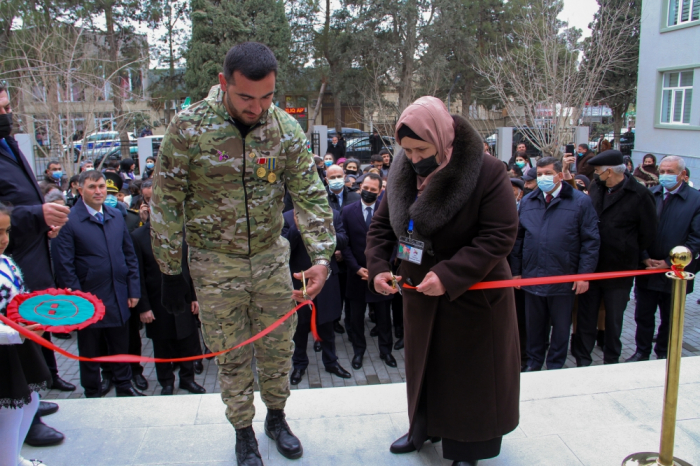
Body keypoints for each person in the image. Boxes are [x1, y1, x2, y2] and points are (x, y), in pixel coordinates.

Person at [150, 42, 335, 466]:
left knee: (278, 348)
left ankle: (276, 417)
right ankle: (242, 432)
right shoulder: (189, 128)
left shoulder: (284, 130)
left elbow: (309, 194)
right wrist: (169, 269)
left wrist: (322, 257)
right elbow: (165, 201)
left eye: (268, 96)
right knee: (230, 355)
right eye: (247, 97)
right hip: (215, 264)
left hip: (272, 260)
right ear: (223, 83)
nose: (258, 107)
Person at [366, 96, 520, 466]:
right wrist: (377, 267)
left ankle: (468, 447)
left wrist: (450, 274)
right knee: (424, 367)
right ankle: (423, 427)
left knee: (469, 375)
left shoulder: (486, 170)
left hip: (471, 295)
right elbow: (383, 226)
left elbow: (499, 234)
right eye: (407, 151)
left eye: (422, 148)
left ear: (444, 137)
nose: (416, 159)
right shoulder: (403, 169)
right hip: (420, 293)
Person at [0, 86, 69, 447]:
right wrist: (34, 215)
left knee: (32, 334)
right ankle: (20, 419)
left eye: (8, 106)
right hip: (8, 264)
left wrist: (45, 222)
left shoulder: (8, 144)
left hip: (28, 253)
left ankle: (32, 403)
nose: (7, 114)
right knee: (14, 345)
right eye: (1, 109)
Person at [51, 170, 145, 398]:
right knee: (91, 351)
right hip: (88, 300)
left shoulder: (115, 216)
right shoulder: (70, 221)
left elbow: (129, 255)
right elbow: (65, 266)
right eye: (92, 187)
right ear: (80, 189)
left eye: (101, 186)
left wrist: (133, 289)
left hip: (118, 295)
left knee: (120, 347)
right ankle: (92, 390)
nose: (98, 191)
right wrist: (79, 301)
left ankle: (124, 386)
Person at [511, 157, 600, 371]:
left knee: (560, 328)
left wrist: (583, 274)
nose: (542, 178)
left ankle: (555, 366)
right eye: (539, 174)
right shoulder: (528, 201)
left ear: (560, 175)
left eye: (547, 173)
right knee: (534, 328)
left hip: (563, 278)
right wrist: (516, 273)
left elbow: (591, 240)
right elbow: (519, 239)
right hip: (532, 277)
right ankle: (533, 363)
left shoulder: (580, 202)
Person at [571, 150, 657, 367]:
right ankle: (583, 359)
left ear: (609, 172)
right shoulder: (596, 187)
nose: (596, 174)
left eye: (598, 171)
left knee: (613, 319)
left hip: (620, 268)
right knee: (586, 317)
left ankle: (611, 360)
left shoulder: (639, 194)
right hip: (593, 265)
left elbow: (648, 232)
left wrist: (630, 250)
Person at [628, 155, 700, 362]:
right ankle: (641, 351)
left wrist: (669, 262)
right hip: (648, 269)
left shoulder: (695, 200)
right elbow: (638, 229)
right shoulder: (651, 195)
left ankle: (664, 352)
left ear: (683, 175)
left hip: (676, 272)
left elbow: (696, 239)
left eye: (671, 172)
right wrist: (644, 257)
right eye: (663, 172)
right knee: (643, 315)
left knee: (670, 317)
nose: (665, 176)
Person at [0, 203, 52, 466]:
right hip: (5, 346)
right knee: (10, 410)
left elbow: (19, 299)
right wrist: (15, 333)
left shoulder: (7, 262)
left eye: (6, 231)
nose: (3, 239)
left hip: (18, 345)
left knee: (29, 402)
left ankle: (12, 457)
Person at [131, 219, 206, 396]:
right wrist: (144, 307)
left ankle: (188, 379)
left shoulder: (182, 231)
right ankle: (166, 382)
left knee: (187, 340)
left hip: (184, 298)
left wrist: (195, 297)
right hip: (157, 301)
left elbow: (191, 266)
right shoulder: (138, 236)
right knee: (162, 344)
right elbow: (138, 273)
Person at [283, 208, 351, 384]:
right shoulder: (286, 217)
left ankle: (331, 362)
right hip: (300, 281)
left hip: (326, 279)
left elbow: (344, 240)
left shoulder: (333, 214)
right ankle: (299, 365)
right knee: (300, 327)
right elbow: (283, 246)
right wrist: (297, 229)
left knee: (327, 325)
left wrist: (326, 232)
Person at [341, 173, 395, 370]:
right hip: (356, 275)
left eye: (374, 190)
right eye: (366, 188)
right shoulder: (347, 211)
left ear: (381, 191)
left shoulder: (388, 211)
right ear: (360, 186)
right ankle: (358, 351)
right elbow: (344, 244)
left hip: (381, 275)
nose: (369, 192)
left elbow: (394, 243)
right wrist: (356, 268)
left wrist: (380, 268)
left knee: (383, 317)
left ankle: (386, 351)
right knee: (355, 318)